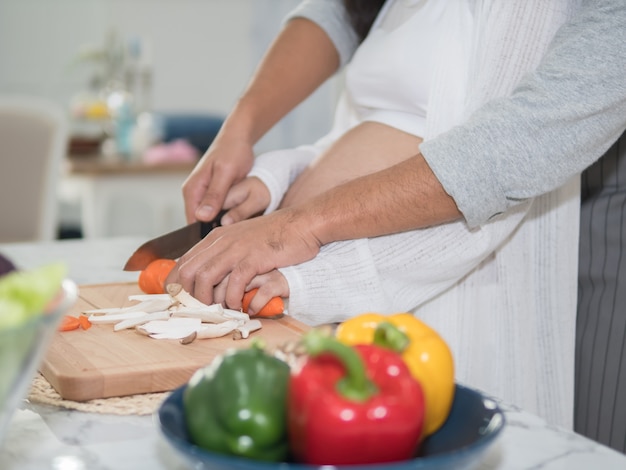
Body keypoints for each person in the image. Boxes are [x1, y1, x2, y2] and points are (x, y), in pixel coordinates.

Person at [167, 0, 626, 435]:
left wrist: (308, 253)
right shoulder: (389, 10)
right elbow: (368, 123)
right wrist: (275, 172)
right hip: (346, 306)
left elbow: (507, 158)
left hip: (436, 303)